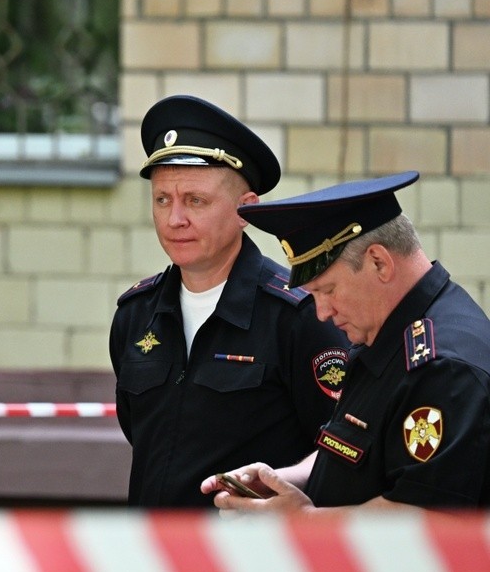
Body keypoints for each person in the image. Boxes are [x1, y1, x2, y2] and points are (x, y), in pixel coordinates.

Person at [110, 94, 351, 511]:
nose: (174, 219)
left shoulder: (298, 315)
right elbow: (143, 437)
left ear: (246, 211)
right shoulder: (136, 316)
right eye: (162, 199)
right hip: (153, 561)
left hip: (255, 564)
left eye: (196, 201)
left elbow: (341, 451)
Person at [202, 171, 490, 512]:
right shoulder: (383, 334)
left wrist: (304, 522)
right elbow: (353, 454)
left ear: (379, 262)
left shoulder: (443, 368)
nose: (322, 312)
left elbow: (424, 517)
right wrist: (282, 480)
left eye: (328, 290)